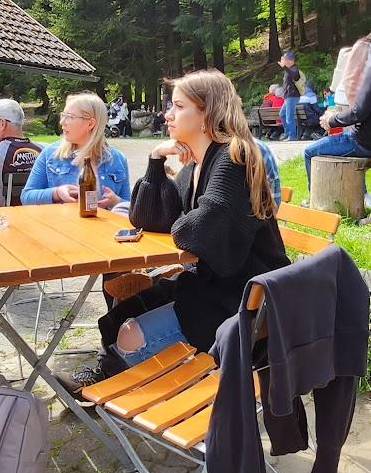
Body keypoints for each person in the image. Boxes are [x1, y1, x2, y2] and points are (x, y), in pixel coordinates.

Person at [56, 70, 289, 394]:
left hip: (245, 299)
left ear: (206, 112)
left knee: (131, 332)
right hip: (214, 283)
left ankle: (111, 387)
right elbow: (147, 218)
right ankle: (108, 375)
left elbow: (199, 230)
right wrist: (155, 160)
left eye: (178, 106)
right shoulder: (197, 164)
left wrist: (181, 219)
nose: (168, 114)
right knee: (130, 308)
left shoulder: (234, 157)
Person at [20, 92, 130, 208]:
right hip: (62, 225)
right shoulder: (50, 154)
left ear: (91, 123)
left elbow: (130, 208)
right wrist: (56, 193)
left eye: (70, 117)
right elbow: (26, 197)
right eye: (63, 115)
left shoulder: (118, 159)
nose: (62, 122)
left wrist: (116, 201)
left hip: (105, 226)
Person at [303, 34, 371, 189]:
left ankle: (316, 202)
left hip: (363, 142)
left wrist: (331, 120)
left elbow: (359, 111)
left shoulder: (364, 49)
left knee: (309, 152)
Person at [279, 51, 301, 140]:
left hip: (293, 96)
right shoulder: (287, 70)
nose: (284, 61)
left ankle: (292, 136)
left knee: (289, 117)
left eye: (286, 59)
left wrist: (284, 67)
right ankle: (287, 133)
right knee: (282, 114)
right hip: (288, 96)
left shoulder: (294, 69)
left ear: (290, 60)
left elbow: (295, 76)